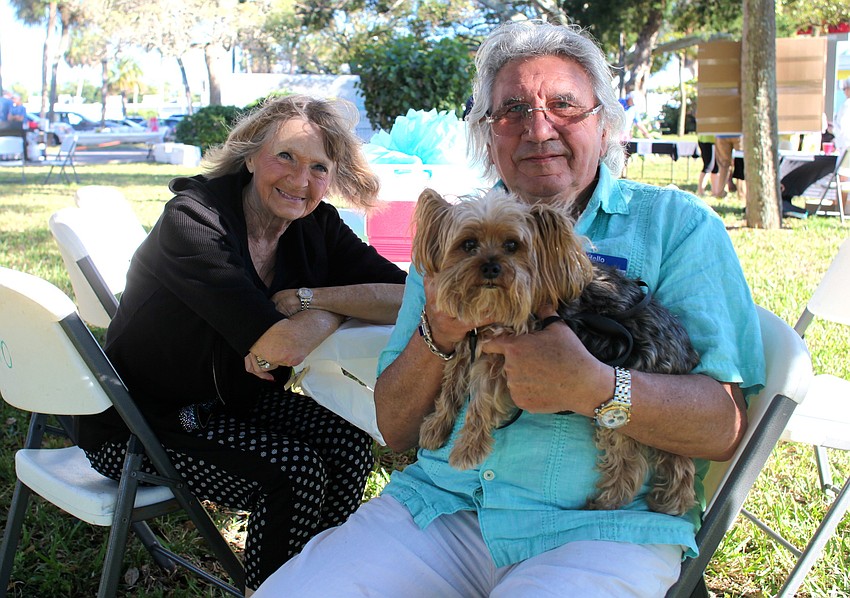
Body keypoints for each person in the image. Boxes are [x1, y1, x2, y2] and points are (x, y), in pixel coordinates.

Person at [254, 21, 764, 598]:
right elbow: (397, 430)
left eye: (564, 106)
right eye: (512, 110)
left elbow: (723, 427)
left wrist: (596, 386)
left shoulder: (678, 227)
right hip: (441, 508)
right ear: (486, 133)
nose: (538, 128)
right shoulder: (454, 238)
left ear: (603, 121)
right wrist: (437, 332)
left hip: (600, 528)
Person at [75, 94, 407, 595]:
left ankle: (312, 584)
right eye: (286, 157)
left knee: (349, 444)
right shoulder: (194, 220)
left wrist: (312, 298)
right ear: (251, 155)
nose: (300, 181)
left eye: (319, 167)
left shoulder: (313, 224)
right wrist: (331, 311)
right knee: (292, 475)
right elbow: (280, 347)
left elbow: (407, 295)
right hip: (141, 422)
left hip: (234, 401)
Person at [713, 133, 742, 198]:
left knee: (724, 165)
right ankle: (741, 193)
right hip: (738, 133)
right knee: (740, 163)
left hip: (721, 132)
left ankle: (720, 192)